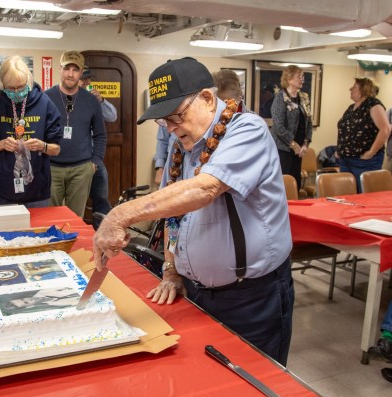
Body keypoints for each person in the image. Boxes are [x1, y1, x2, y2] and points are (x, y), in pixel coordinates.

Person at [93, 57, 294, 366]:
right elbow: (175, 216)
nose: (172, 129)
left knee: (253, 391)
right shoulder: (182, 146)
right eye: (164, 122)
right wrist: (172, 270)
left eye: (176, 116)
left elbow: (204, 189)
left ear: (207, 98)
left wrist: (118, 215)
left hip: (252, 299)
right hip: (196, 294)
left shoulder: (247, 130)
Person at [0, 55, 61, 208]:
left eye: (21, 87)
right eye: (11, 88)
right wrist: (1, 144)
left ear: (28, 82)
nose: (17, 92)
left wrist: (42, 146)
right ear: (2, 84)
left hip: (35, 190)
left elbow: (56, 150)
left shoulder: (44, 103)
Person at [45, 51, 107, 217]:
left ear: (81, 73)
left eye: (75, 70)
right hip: (51, 168)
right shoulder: (46, 98)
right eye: (66, 69)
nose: (70, 74)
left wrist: (95, 162)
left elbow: (100, 134)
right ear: (60, 69)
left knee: (75, 220)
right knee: (50, 218)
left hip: (81, 169)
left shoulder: (91, 101)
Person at [336, 77, 390, 192]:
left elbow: (385, 129)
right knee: (347, 195)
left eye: (354, 87)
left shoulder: (373, 105)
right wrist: (340, 149)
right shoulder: (351, 108)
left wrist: (371, 152)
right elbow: (345, 130)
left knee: (364, 196)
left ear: (363, 89)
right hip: (346, 160)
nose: (350, 89)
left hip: (364, 162)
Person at [79, 65, 117, 228]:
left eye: (88, 79)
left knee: (102, 200)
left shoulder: (95, 100)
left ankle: (103, 234)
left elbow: (112, 116)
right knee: (76, 202)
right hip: (77, 160)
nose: (87, 82)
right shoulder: (69, 99)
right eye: (84, 79)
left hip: (96, 158)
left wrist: (101, 100)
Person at [270, 65, 313, 189]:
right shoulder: (280, 98)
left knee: (296, 183)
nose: (302, 79)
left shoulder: (304, 97)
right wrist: (294, 145)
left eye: (303, 76)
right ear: (289, 79)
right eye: (299, 76)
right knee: (284, 184)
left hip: (299, 149)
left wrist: (305, 143)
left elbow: (308, 121)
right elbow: (279, 126)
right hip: (284, 149)